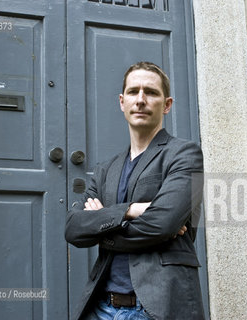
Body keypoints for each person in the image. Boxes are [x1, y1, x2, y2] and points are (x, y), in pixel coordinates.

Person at [65, 61, 205, 320]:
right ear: (122, 102)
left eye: (150, 92)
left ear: (167, 104)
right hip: (101, 307)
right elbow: (74, 228)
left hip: (155, 307)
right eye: (133, 92)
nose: (140, 100)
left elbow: (162, 224)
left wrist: (103, 225)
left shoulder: (185, 154)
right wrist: (131, 210)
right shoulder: (106, 168)